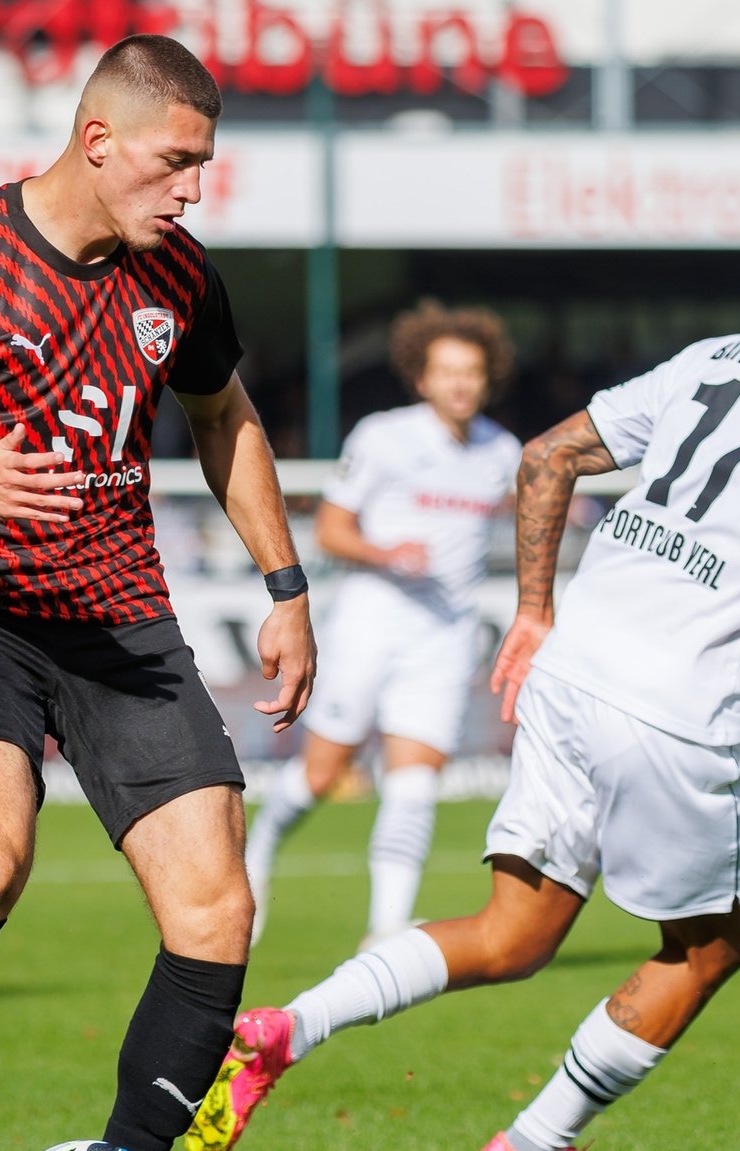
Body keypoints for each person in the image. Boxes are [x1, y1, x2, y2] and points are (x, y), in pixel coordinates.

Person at [184, 205, 740, 1151]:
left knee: (515, 933)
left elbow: (547, 455)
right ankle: (531, 1142)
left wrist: (532, 609)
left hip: (571, 669)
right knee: (711, 948)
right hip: (675, 705)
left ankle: (283, 1028)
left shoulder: (721, 355)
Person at [0, 36, 315, 1151]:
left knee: (218, 906)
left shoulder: (179, 274)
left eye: (203, 167)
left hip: (116, 615)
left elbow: (221, 415)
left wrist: (286, 583)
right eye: (174, 162)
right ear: (96, 140)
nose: (190, 190)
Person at [244, 302, 521, 951]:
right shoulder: (383, 436)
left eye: (471, 372)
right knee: (322, 773)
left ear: (487, 379)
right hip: (372, 620)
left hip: (447, 634)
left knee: (415, 777)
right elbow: (332, 527)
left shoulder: (500, 451)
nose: (459, 383)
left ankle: (386, 926)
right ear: (420, 379)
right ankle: (261, 844)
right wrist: (387, 553)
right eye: (446, 371)